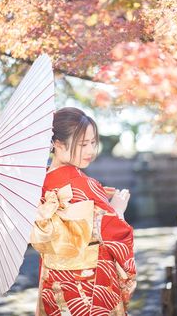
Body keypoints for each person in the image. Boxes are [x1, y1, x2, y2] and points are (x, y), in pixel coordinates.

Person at [30, 107, 137, 316]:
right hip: (88, 288)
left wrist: (98, 203)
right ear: (57, 144)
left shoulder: (36, 185)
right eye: (82, 144)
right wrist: (117, 210)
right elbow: (116, 236)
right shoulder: (86, 185)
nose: (90, 151)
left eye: (93, 143)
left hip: (52, 283)